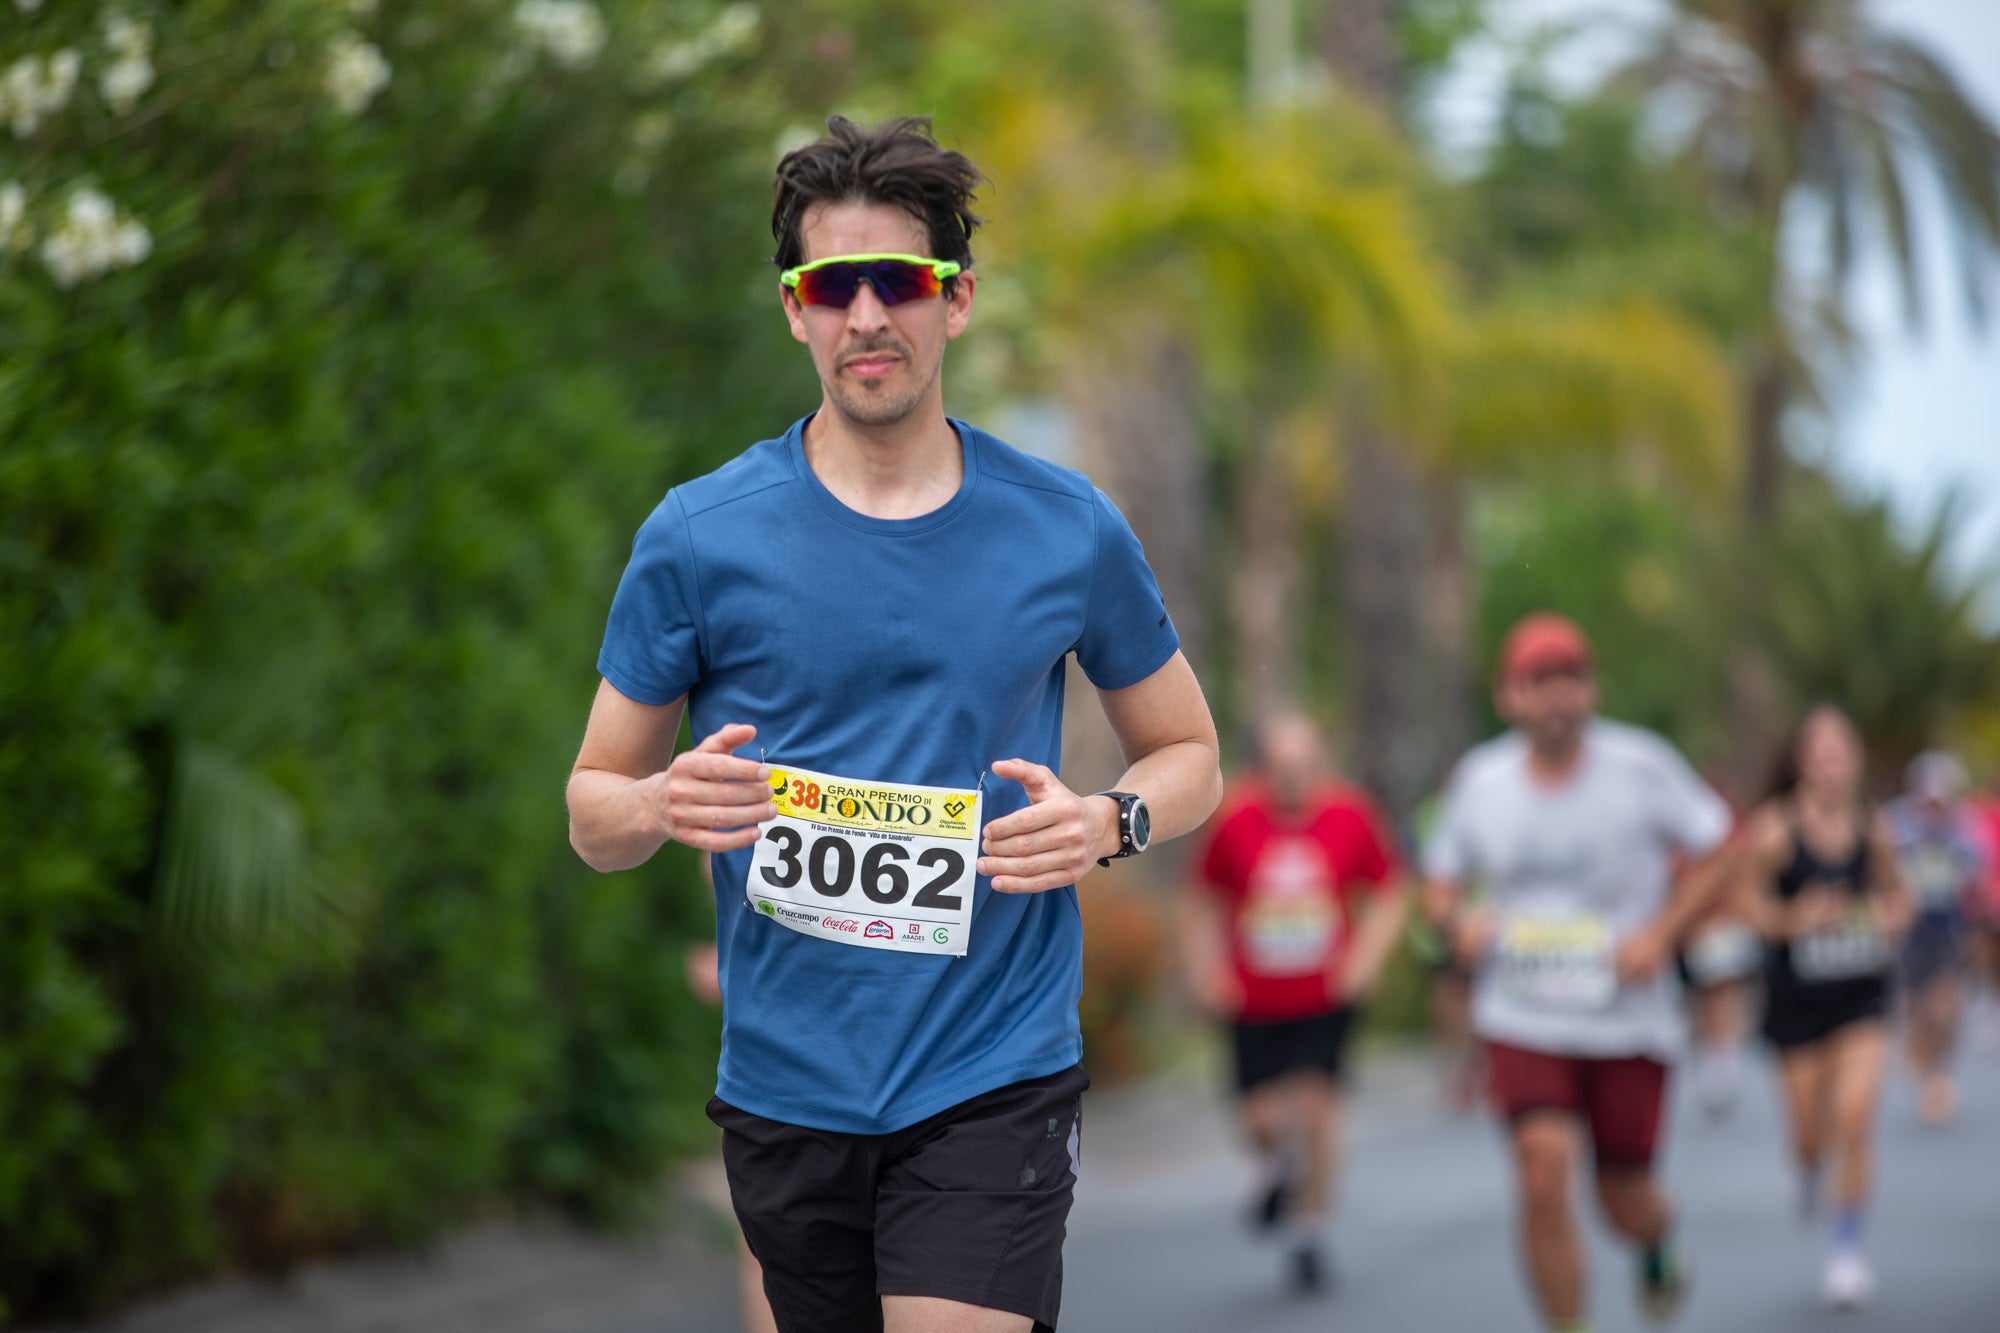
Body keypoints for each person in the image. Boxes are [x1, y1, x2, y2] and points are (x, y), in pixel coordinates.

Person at [565, 116, 1223, 1333]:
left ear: (954, 300)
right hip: (787, 1087)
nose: (865, 315)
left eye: (898, 283)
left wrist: (1108, 822)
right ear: (794, 312)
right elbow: (591, 811)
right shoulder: (700, 537)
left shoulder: (1065, 528)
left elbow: (1189, 754)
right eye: (831, 285)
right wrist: (657, 807)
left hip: (992, 1074)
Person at [1421, 613, 1734, 1333]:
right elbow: (1438, 881)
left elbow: (1721, 848)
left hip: (1627, 1017)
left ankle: (1657, 1238)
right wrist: (1457, 923)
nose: (1558, 697)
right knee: (1541, 1174)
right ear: (1510, 695)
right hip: (1523, 1011)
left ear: (1591, 690)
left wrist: (1660, 934)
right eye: (1541, 682)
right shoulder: (1482, 779)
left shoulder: (1641, 766)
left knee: (1624, 1198)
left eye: (1572, 680)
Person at [1182, 712, 1408, 1296]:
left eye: (1305, 768)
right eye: (1282, 770)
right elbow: (1203, 899)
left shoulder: (1349, 816)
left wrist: (1365, 960)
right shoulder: (1235, 822)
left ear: (1321, 764)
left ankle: (1310, 1230)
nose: (1294, 782)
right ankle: (1275, 1164)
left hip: (1324, 994)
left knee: (1318, 1105)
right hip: (1254, 998)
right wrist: (1207, 971)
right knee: (1258, 1119)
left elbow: (1389, 891)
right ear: (1263, 769)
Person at [1736, 706, 1912, 1309]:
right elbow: (1747, 908)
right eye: (1821, 753)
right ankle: (1811, 1172)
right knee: (1810, 1135)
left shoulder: (1873, 829)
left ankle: (1845, 1251)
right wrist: (1795, 918)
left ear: (1856, 761)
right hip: (1795, 1006)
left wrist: (1890, 916)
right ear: (1801, 763)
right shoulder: (1776, 831)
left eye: (1842, 752)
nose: (1832, 765)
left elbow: (1900, 898)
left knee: (1855, 1119)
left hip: (1861, 995)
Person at [1888, 750, 1988, 1126]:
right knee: (1917, 1006)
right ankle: (1922, 1055)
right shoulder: (1897, 826)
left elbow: (1977, 884)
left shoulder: (1965, 831)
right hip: (1911, 932)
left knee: (1945, 1005)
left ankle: (1940, 1076)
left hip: (1948, 929)